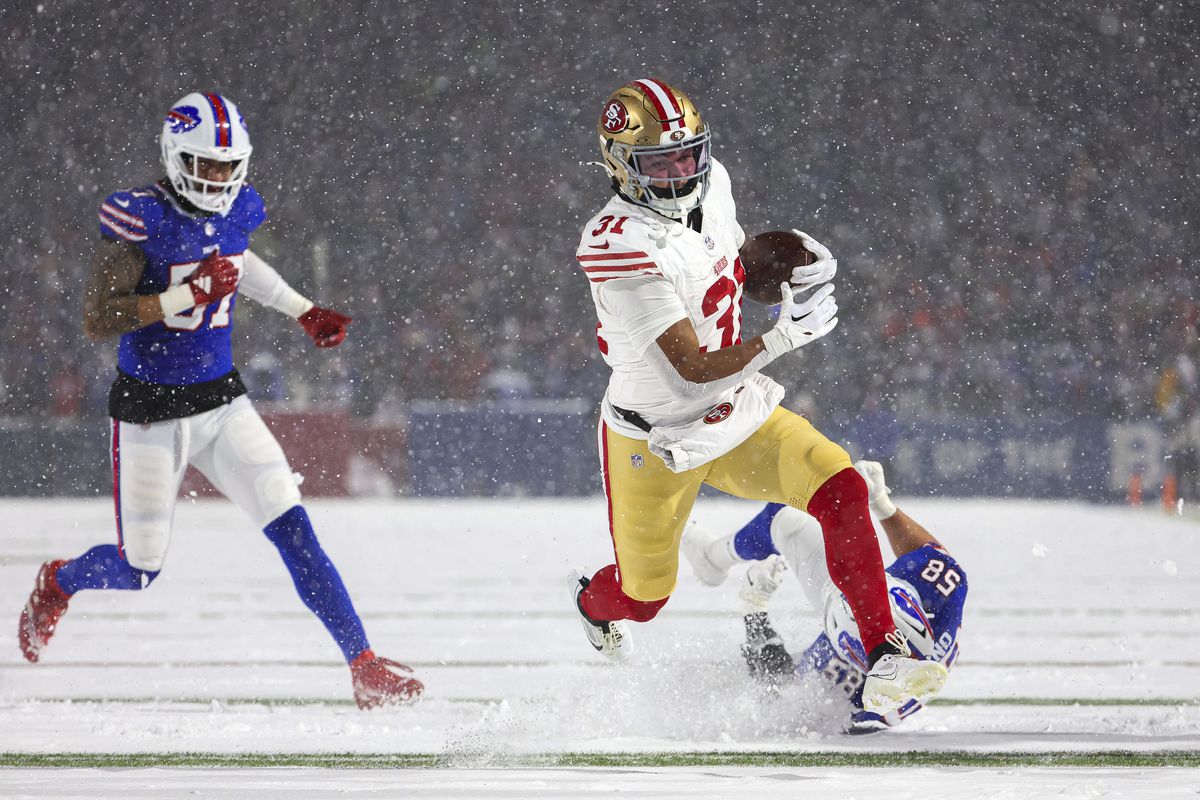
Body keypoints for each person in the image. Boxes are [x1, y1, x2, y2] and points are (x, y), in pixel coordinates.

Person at [16, 92, 421, 709]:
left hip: (222, 402)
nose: (221, 179)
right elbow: (100, 317)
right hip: (150, 409)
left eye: (230, 166)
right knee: (138, 568)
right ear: (177, 158)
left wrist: (301, 309)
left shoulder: (239, 209)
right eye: (208, 166)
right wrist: (187, 297)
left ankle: (363, 664)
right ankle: (60, 580)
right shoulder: (138, 217)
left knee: (296, 532)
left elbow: (238, 261)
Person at [567, 77, 946, 715]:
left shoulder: (714, 186)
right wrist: (777, 341)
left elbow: (729, 268)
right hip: (654, 436)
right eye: (663, 162)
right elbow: (688, 371)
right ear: (622, 167)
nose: (683, 171)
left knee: (841, 486)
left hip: (733, 411)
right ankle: (590, 604)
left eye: (690, 154)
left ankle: (884, 655)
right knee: (644, 598)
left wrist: (783, 267)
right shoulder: (618, 243)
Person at [683, 460, 967, 732]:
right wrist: (883, 506)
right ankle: (712, 559)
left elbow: (774, 686)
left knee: (787, 520)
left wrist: (754, 608)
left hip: (849, 688)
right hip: (870, 638)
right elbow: (929, 551)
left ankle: (712, 558)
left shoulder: (842, 684)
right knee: (796, 518)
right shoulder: (941, 591)